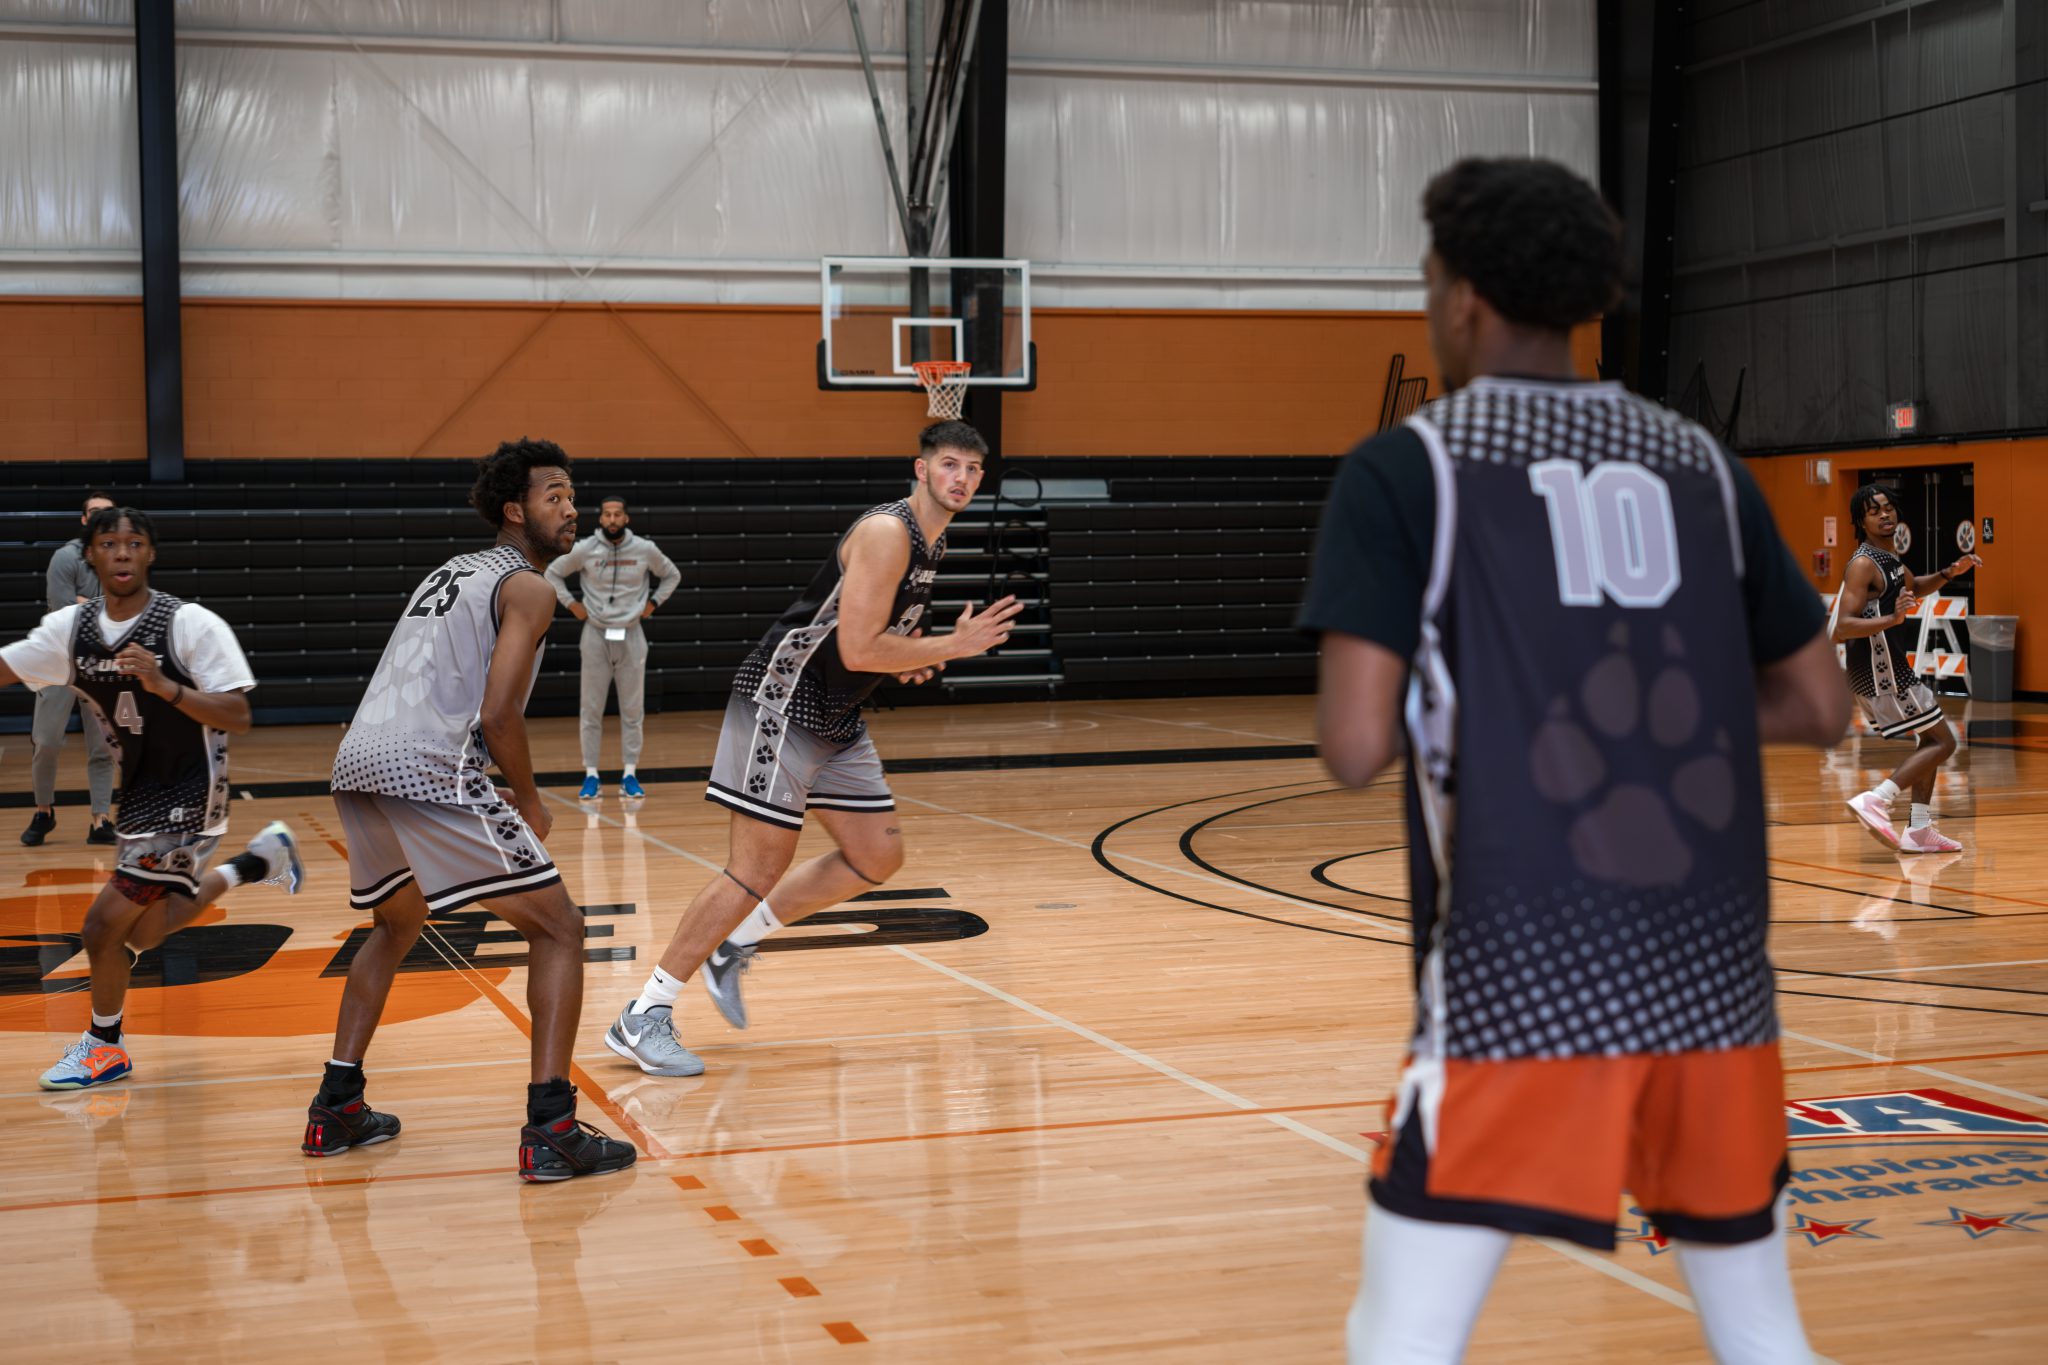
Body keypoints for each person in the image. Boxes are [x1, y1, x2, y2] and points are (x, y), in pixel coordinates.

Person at [1299, 158, 1851, 1364]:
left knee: (1396, 1341)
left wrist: (1521, 705)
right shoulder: (1698, 461)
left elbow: (1350, 744)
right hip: (1712, 978)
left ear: (1460, 299)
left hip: (1520, 974)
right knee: (1763, 1340)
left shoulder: (1408, 468)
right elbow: (1819, 701)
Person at [605, 419, 1023, 1077]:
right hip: (782, 700)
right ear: (921, 470)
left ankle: (732, 946)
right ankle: (643, 1014)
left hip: (835, 713)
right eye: (948, 465)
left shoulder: (931, 542)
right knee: (754, 869)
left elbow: (864, 645)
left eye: (971, 469)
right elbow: (859, 647)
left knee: (876, 853)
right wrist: (948, 645)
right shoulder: (889, 534)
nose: (961, 479)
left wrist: (908, 659)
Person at [312, 438, 635, 1183]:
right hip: (426, 761)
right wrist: (527, 798)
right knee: (559, 927)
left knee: (396, 923)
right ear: (515, 508)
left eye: (572, 494)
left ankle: (337, 1105)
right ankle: (553, 1127)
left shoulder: (451, 571)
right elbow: (497, 716)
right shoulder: (529, 586)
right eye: (555, 494)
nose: (571, 507)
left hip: (358, 758)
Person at [0, 506, 304, 1090]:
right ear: (89, 556)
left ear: (149, 555)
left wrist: (165, 685)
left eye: (133, 543)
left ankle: (104, 1048)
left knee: (99, 929)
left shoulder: (189, 624)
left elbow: (239, 714)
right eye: (109, 543)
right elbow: (9, 666)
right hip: (138, 794)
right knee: (138, 935)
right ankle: (259, 861)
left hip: (192, 789)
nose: (121, 553)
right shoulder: (72, 629)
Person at [1833, 484, 1980, 853]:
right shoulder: (1863, 563)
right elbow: (1841, 628)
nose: (1885, 515)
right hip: (1878, 670)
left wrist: (1949, 572)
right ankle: (1878, 799)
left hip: (1891, 666)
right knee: (1944, 741)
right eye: (1874, 511)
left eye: (1888, 508)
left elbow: (1914, 585)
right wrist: (1893, 618)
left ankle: (1918, 830)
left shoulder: (1890, 557)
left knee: (1929, 740)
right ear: (1860, 521)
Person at [544, 495, 682, 801]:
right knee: (590, 710)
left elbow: (672, 574)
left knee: (633, 710)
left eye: (617, 514)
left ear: (626, 519)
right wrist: (571, 604)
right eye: (607, 515)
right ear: (600, 519)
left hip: (632, 634)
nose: (612, 519)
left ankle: (629, 773)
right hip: (594, 634)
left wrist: (654, 603)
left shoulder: (644, 549)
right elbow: (552, 573)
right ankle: (591, 774)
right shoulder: (585, 549)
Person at [22, 489, 119, 846]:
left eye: (106, 513)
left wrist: (87, 604)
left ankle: (100, 819)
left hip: (102, 663)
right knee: (46, 741)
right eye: (94, 512)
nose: (99, 518)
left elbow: (126, 611)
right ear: (83, 520)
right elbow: (63, 612)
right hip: (58, 660)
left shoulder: (123, 558)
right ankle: (43, 812)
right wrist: (99, 606)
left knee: (102, 746)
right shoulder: (64, 558)